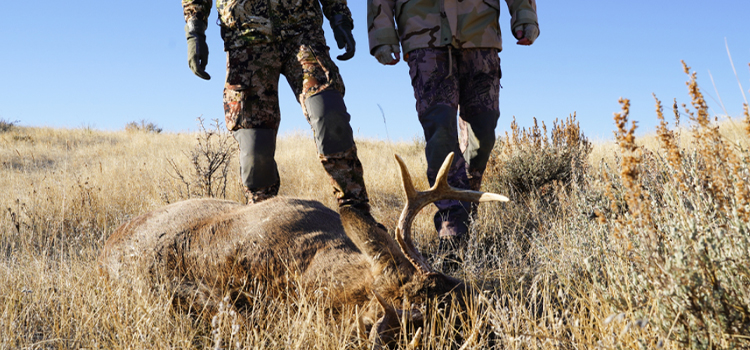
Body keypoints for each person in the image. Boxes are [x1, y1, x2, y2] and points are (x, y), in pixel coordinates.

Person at [367, 0, 539, 259]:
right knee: (440, 132)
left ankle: (465, 207)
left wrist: (525, 14)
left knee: (483, 133)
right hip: (424, 34)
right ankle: (453, 228)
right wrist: (382, 34)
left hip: (480, 31)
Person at [181, 0, 371, 213]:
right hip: (246, 41)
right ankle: (262, 224)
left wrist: (339, 17)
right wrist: (194, 30)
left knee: (328, 112)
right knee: (255, 145)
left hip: (303, 33)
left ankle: (358, 215)